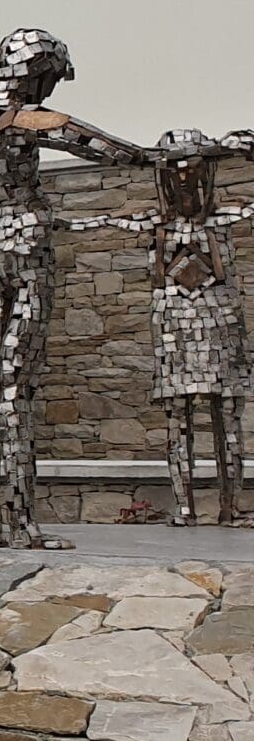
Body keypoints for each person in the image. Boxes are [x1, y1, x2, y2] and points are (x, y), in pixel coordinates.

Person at [0, 29, 145, 549]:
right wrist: (163, 157)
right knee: (17, 387)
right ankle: (24, 521)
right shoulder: (30, 120)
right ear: (36, 74)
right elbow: (111, 152)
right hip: (23, 245)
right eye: (48, 81)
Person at [61, 128, 254, 525]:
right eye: (173, 174)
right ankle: (184, 508)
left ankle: (230, 507)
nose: (184, 183)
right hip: (174, 331)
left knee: (227, 416)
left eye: (193, 173)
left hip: (222, 325)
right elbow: (89, 223)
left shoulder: (225, 218)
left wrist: (243, 143)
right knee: (178, 418)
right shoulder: (153, 224)